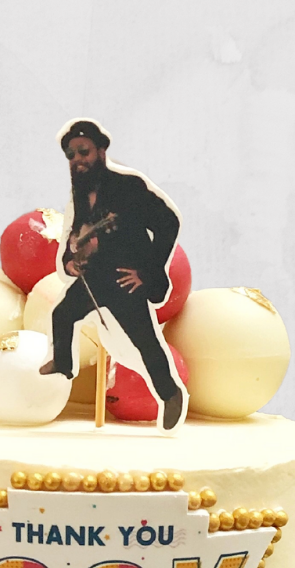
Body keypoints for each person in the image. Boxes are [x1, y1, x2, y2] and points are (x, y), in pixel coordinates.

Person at [39, 120, 187, 429]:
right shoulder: (80, 193)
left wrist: (147, 272)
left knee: (145, 343)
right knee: (63, 314)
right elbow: (74, 236)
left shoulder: (128, 186)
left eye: (84, 151)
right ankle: (63, 364)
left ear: (101, 151)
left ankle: (170, 394)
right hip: (94, 278)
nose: (78, 160)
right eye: (71, 155)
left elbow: (169, 222)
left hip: (124, 282)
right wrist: (70, 262)